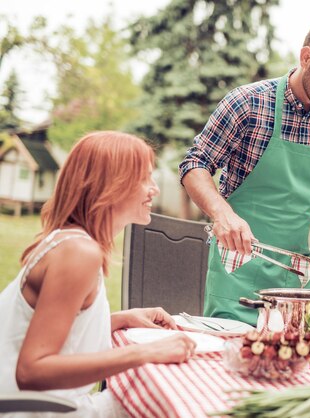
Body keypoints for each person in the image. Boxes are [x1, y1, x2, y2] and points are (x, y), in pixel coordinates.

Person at [179, 17, 310, 325]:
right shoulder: (249, 103)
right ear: (306, 57)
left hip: (299, 283)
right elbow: (194, 164)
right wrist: (221, 214)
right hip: (237, 269)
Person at [0, 131, 197, 418]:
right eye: (144, 177)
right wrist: (145, 353)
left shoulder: (70, 241)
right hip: (35, 411)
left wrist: (121, 319)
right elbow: (31, 371)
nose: (153, 188)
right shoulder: (79, 252)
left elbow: (55, 329)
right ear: (110, 186)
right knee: (174, 402)